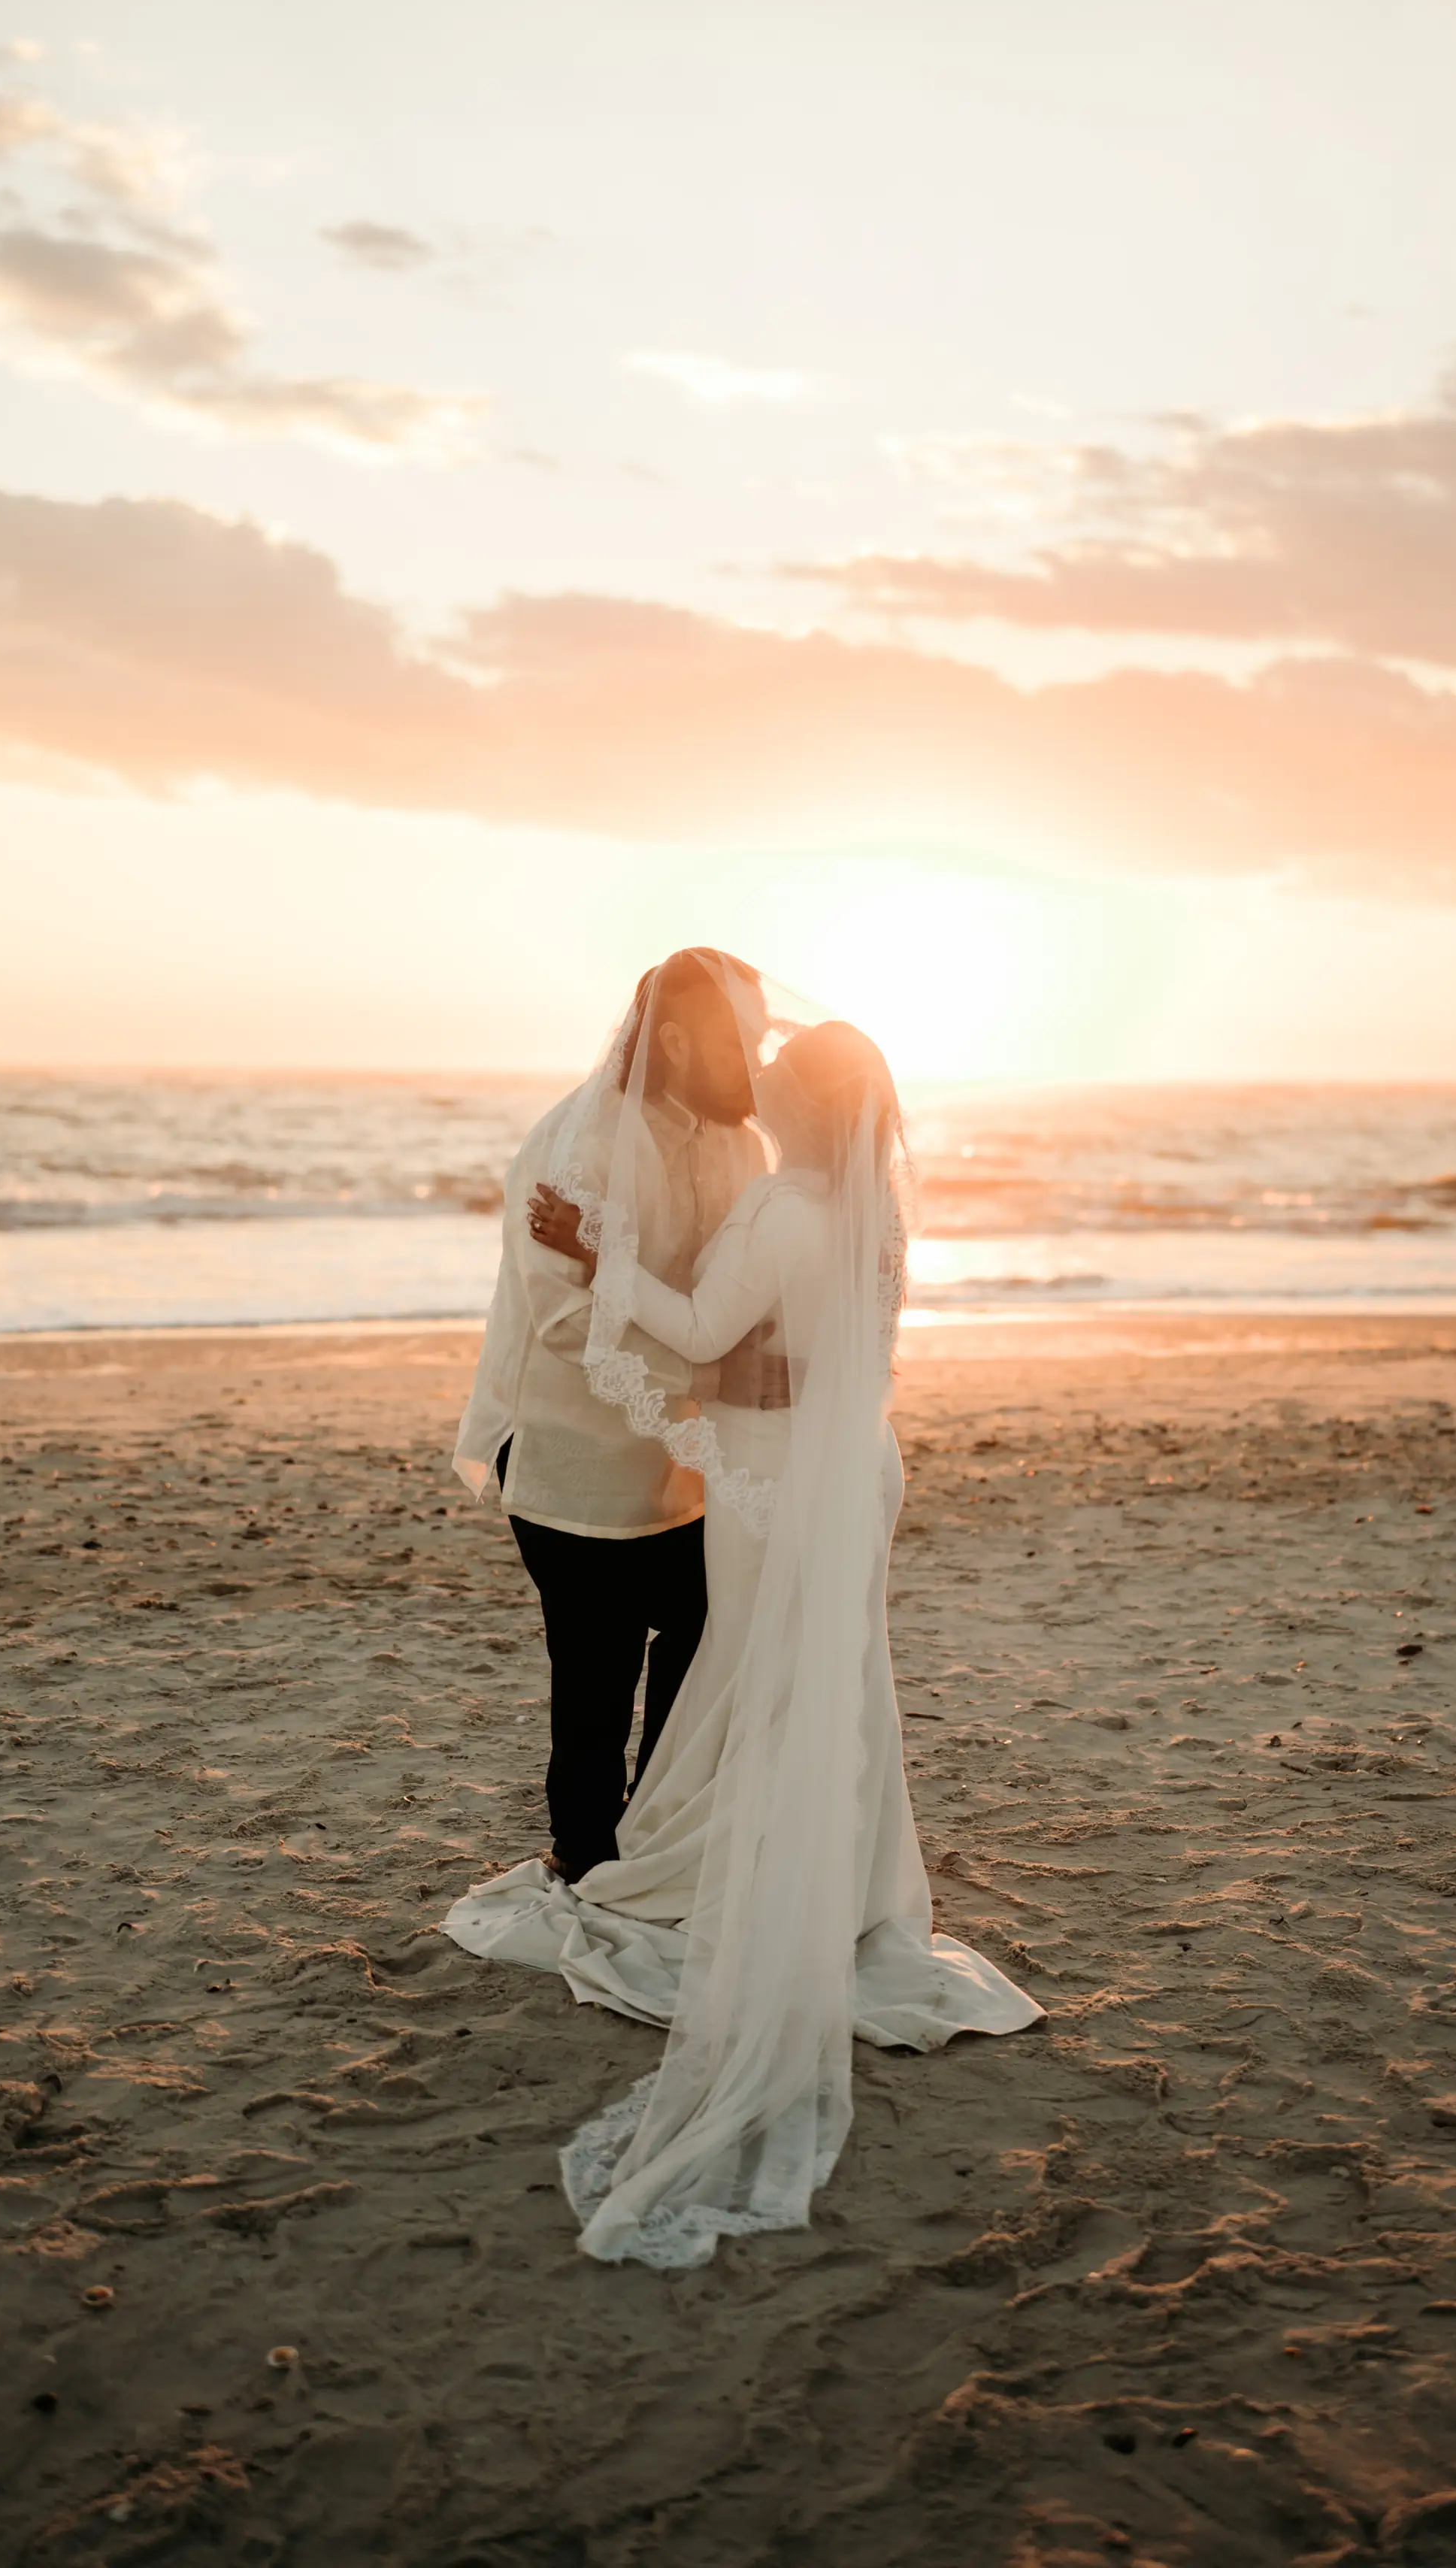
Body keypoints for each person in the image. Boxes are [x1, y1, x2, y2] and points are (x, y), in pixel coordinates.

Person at [444, 986, 1040, 2270]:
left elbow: (707, 1329)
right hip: (847, 1466)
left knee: (764, 1675)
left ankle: (745, 1880)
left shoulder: (779, 1205)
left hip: (771, 1477)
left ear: (801, 1105)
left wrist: (609, 1266)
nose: (756, 1070)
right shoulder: (865, 1215)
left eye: (776, 1065)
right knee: (829, 1680)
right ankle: (853, 1895)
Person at [451, 949, 772, 1882]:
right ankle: (587, 1859)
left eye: (761, 1042)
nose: (756, 1065)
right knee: (595, 1679)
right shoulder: (580, 1148)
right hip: (570, 1458)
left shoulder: (742, 1144)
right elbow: (563, 1325)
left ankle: (655, 1830)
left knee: (711, 1624)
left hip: (678, 1460)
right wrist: (713, 1370)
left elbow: (731, 1294)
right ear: (672, 1040)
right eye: (737, 1044)